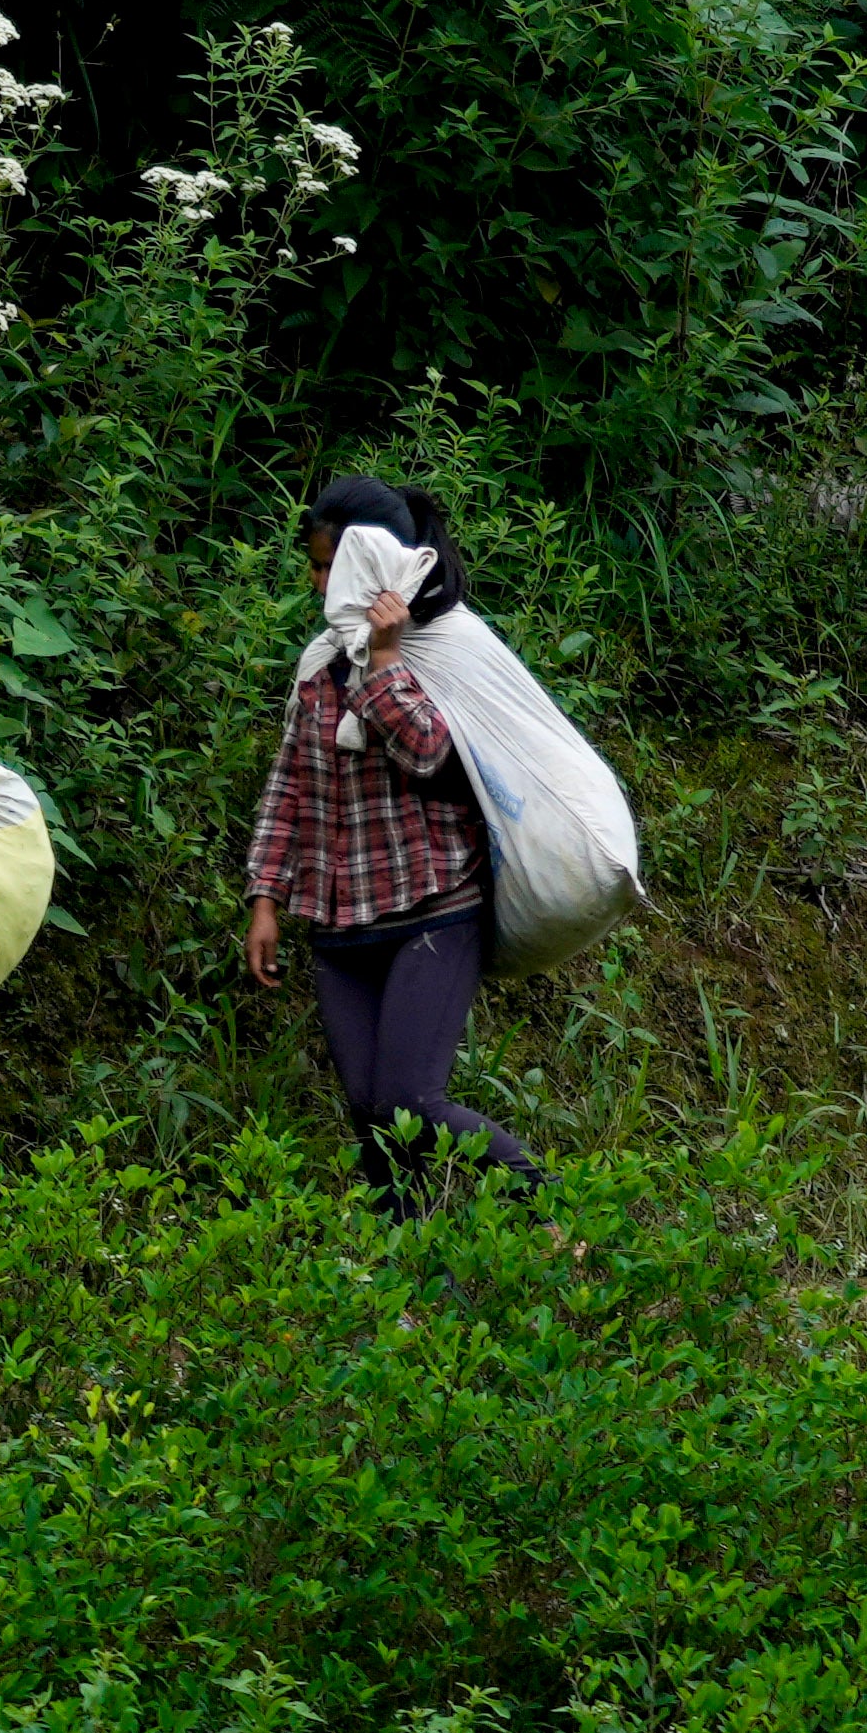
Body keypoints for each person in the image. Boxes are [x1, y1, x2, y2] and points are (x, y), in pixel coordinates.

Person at [241, 473, 537, 1205]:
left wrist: (381, 659)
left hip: (431, 908)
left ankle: (551, 1206)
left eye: (324, 565)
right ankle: (403, 1292)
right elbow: (290, 784)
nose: (315, 583)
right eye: (311, 566)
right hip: (340, 924)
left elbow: (429, 751)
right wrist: (265, 898)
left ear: (365, 562)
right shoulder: (318, 663)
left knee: (410, 1103)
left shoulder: (440, 649)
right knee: (372, 1120)